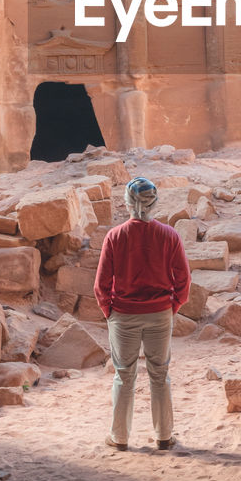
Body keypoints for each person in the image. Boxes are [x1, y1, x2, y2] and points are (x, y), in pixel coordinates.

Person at [94, 176, 191, 451]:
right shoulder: (169, 235)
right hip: (160, 313)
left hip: (123, 314)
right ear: (154, 203)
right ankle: (164, 436)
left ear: (127, 204)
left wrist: (108, 312)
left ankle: (119, 438)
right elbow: (183, 279)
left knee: (124, 375)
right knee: (159, 374)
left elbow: (101, 283)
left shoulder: (115, 236)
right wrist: (173, 306)